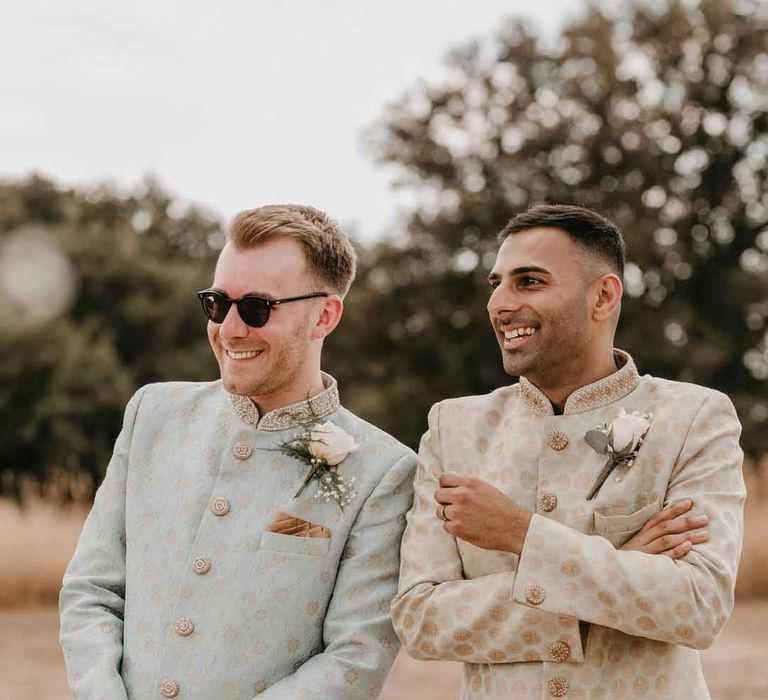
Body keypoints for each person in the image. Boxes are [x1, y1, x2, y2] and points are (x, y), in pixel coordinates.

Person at [60, 204, 417, 700]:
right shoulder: (152, 415)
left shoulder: (385, 471)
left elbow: (354, 658)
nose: (228, 329)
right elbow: (92, 591)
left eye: (255, 308)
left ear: (325, 316)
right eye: (216, 303)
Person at [392, 204, 745, 699]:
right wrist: (618, 569)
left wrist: (521, 534)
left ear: (603, 296)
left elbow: (697, 606)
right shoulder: (452, 428)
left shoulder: (694, 418)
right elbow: (420, 620)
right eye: (496, 283)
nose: (500, 303)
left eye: (529, 281)